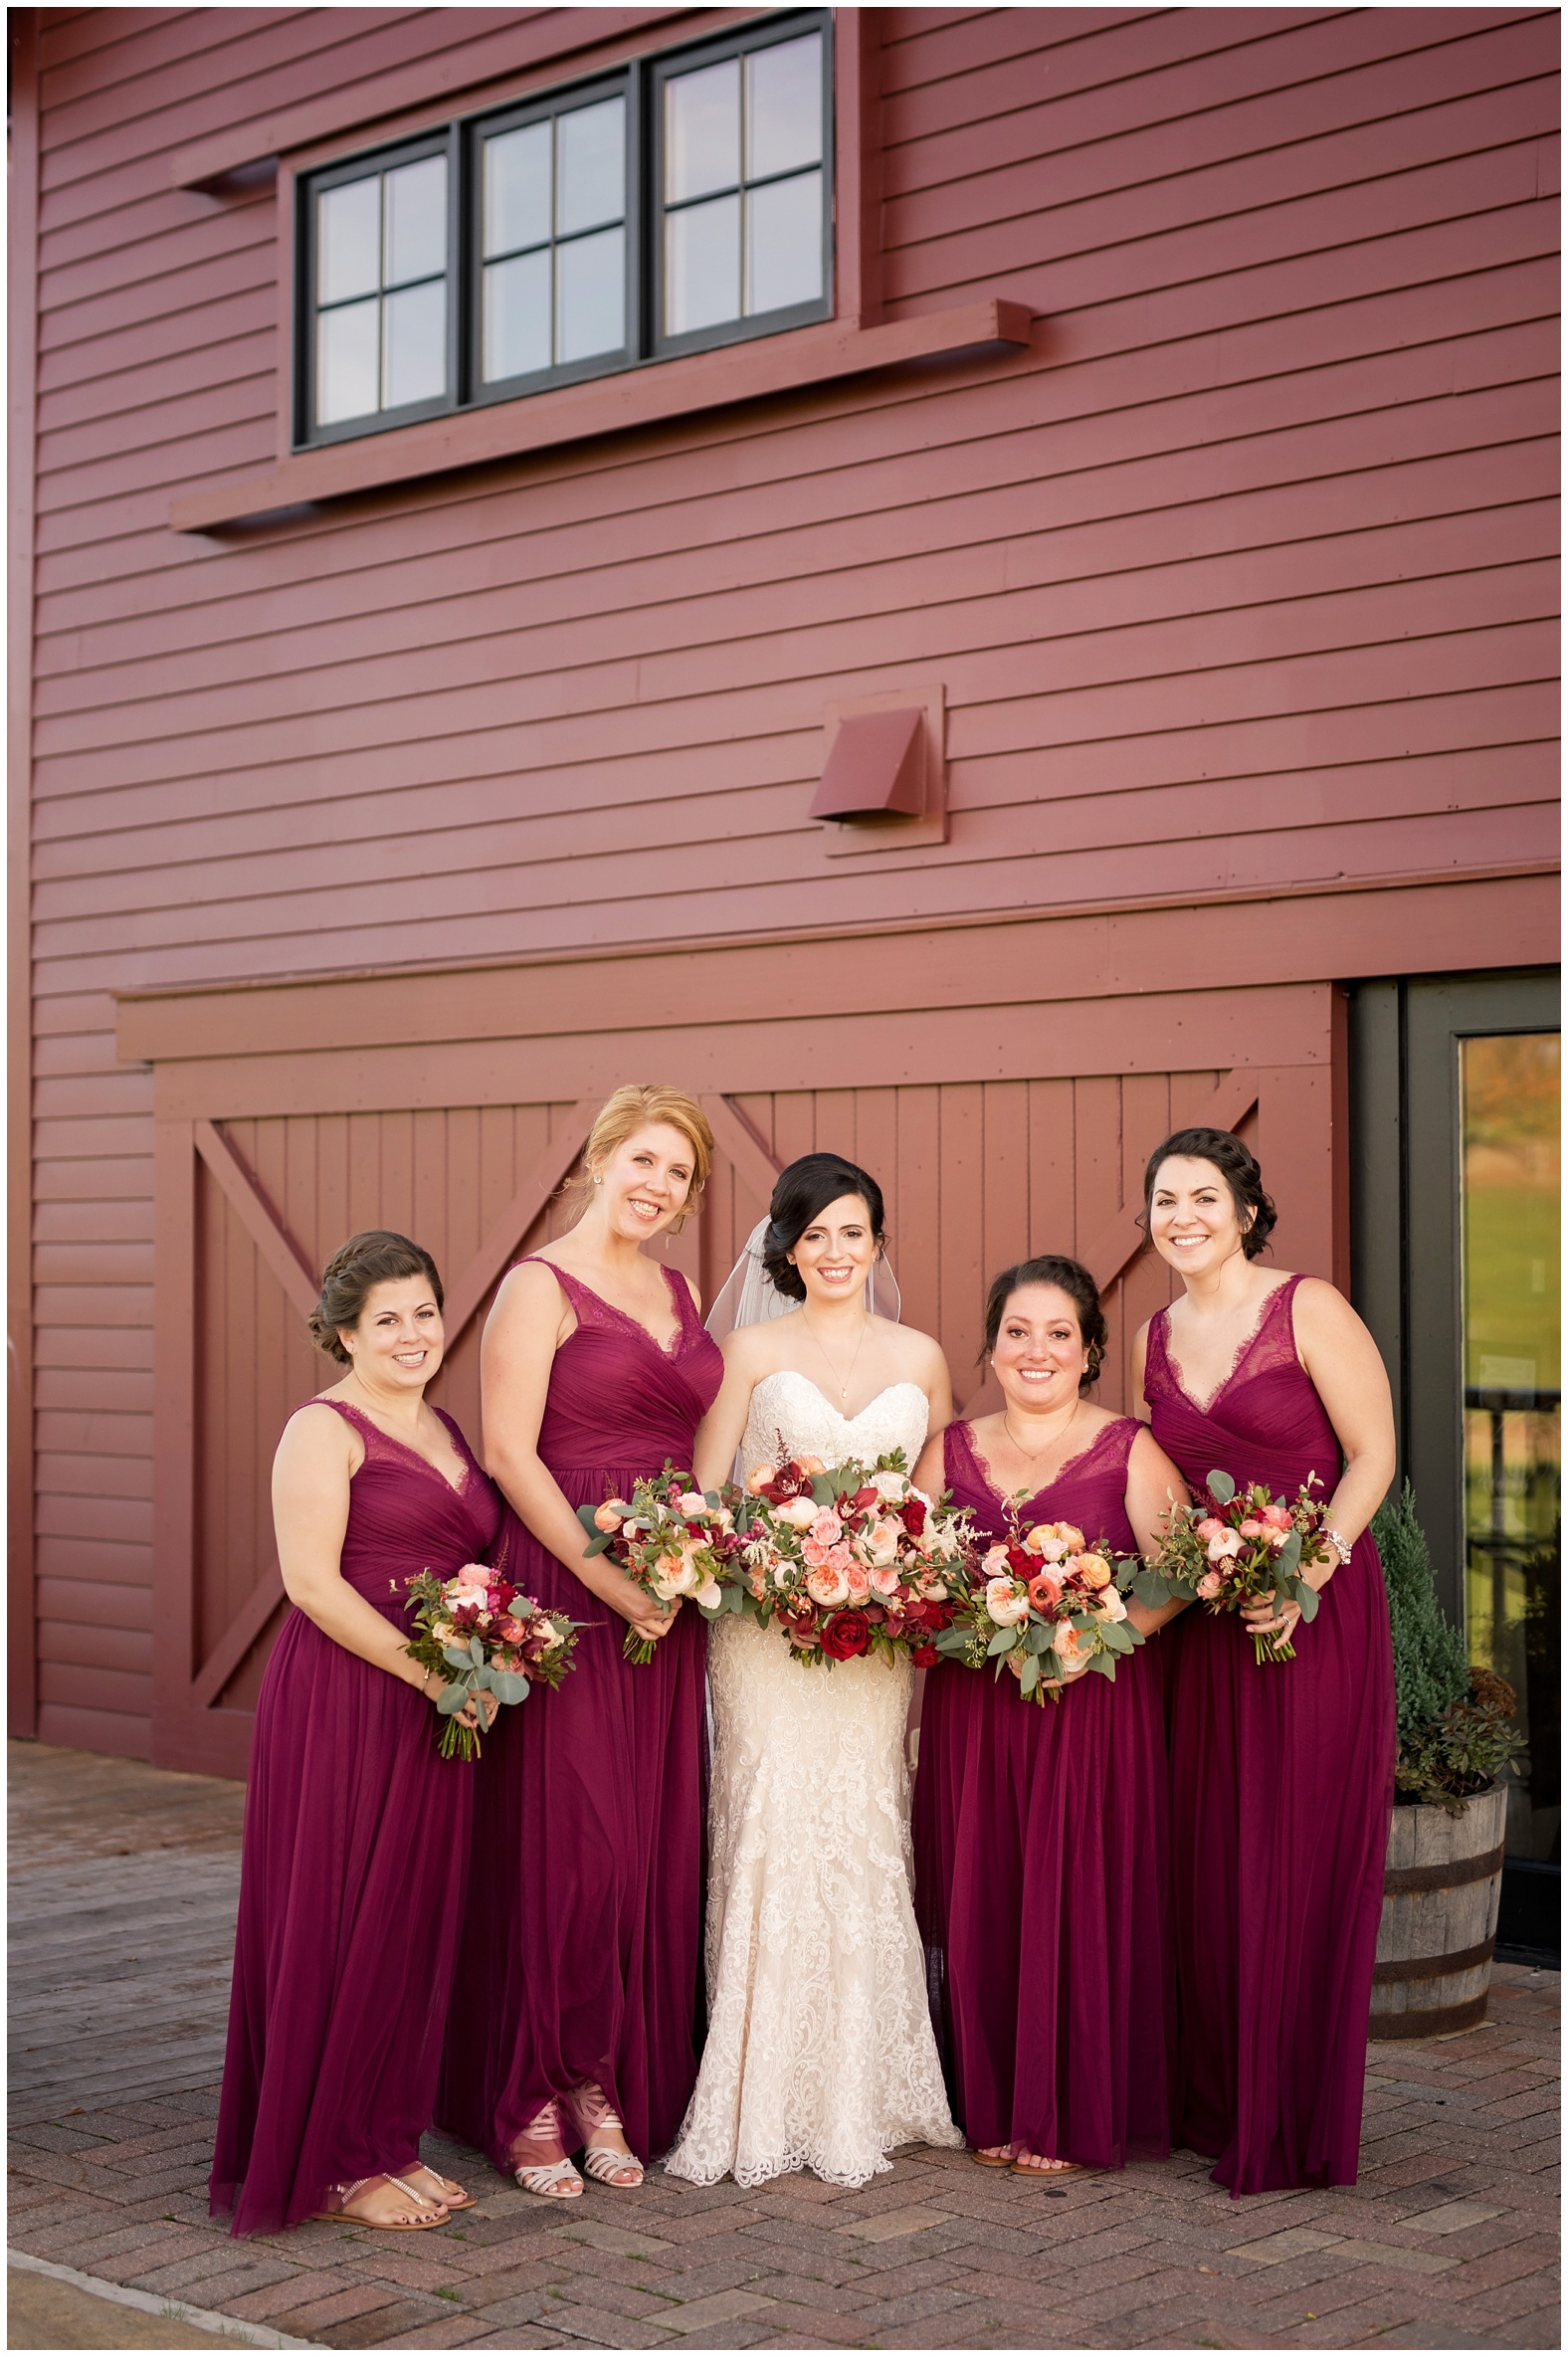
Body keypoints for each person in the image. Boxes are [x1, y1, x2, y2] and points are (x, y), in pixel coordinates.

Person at [439, 1085, 722, 2199]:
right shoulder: (536, 1286)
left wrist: (691, 1560)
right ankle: (529, 2091)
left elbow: (692, 1440)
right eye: (644, 1160)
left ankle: (599, 2079)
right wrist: (610, 1576)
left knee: (643, 1848)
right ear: (600, 1157)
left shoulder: (679, 1286)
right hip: (567, 1588)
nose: (658, 1186)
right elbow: (510, 1453)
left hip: (664, 1594)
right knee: (572, 1848)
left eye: (680, 1175)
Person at [663, 1153, 964, 2190]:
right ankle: (755, 2089)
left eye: (854, 1231)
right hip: (765, 1636)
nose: (836, 1251)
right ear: (786, 1247)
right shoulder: (747, 1347)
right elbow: (702, 1499)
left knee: (866, 1823)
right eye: (816, 1233)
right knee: (774, 1823)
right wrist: (777, 1565)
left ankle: (870, 2089)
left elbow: (933, 1515)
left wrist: (893, 1575)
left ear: (880, 1240)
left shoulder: (923, 1355)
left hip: (872, 1641)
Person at [211, 1232, 499, 2236]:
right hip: (347, 1696)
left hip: (437, 1704)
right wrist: (430, 1671)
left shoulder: (448, 1429)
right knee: (341, 1912)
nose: (413, 1332)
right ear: (343, 1331)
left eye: (424, 1309)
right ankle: (329, 2157)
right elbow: (311, 1584)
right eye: (388, 1318)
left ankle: (384, 2137)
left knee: (410, 1921)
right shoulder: (321, 1429)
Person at [1132, 1126, 1396, 2197]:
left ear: (1245, 1211)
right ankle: (1215, 2096)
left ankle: (1288, 2115)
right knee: (1210, 1854)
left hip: (1311, 1612)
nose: (1182, 1214)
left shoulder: (1308, 1306)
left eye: (1203, 1195)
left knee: (1291, 1850)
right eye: (1162, 1198)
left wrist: (1308, 1575)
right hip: (1205, 1629)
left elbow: (1373, 1451)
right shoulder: (1150, 1330)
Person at [911, 1256, 1188, 2177]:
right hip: (976, 1708)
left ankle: (1066, 2104)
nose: (1037, 1350)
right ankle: (990, 2098)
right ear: (990, 1347)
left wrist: (1093, 1637)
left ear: (1089, 1351)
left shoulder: (1130, 1448)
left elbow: (1180, 1571)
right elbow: (914, 1569)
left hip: (1089, 1707)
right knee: (983, 1886)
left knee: (1075, 1892)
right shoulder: (949, 1448)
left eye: (1058, 1333)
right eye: (1018, 1331)